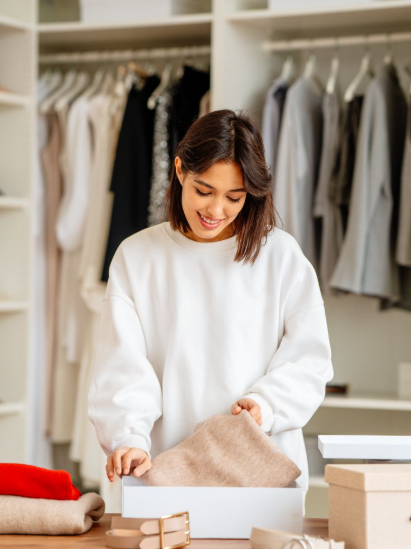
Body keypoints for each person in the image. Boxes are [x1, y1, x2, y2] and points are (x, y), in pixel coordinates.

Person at [87, 109, 333, 490]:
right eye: (204, 191)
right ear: (180, 170)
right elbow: (122, 364)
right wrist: (129, 437)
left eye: (234, 197)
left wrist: (265, 405)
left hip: (260, 468)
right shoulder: (137, 256)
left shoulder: (280, 256)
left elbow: (310, 360)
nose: (216, 211)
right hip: (164, 469)